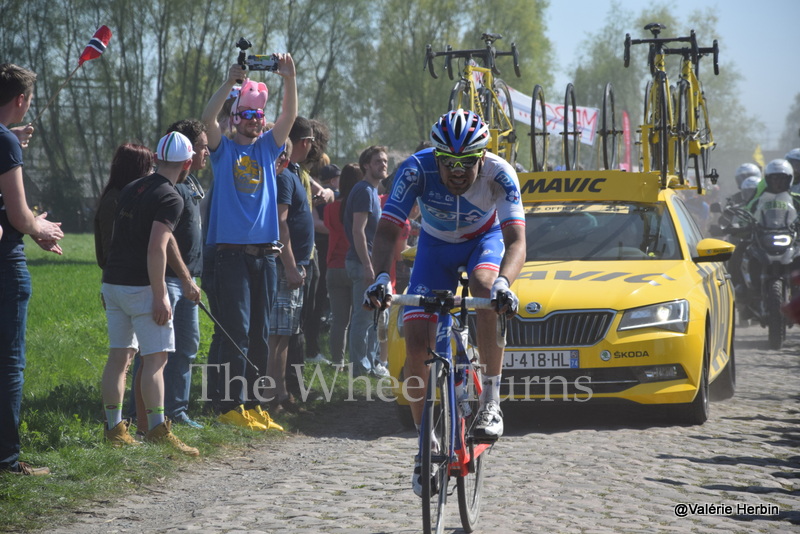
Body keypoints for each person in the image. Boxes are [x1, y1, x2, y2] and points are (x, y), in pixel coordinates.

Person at [364, 109, 525, 495]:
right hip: (434, 248)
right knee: (416, 339)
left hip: (483, 242)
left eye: (466, 164)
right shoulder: (416, 169)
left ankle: (489, 398)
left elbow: (517, 241)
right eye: (448, 163)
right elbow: (386, 232)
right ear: (435, 157)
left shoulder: (499, 173)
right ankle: (426, 445)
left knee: (486, 289)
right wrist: (382, 278)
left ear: (481, 159)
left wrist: (505, 283)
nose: (456, 171)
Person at [200, 57, 296, 429]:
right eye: (247, 116)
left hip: (265, 256)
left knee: (259, 334)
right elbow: (207, 119)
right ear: (236, 118)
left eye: (259, 116)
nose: (254, 122)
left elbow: (288, 118)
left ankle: (255, 405)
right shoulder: (224, 151)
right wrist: (229, 84)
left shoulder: (268, 149)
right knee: (235, 331)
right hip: (230, 257)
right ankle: (228, 407)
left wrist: (290, 79)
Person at [100, 131, 200, 456]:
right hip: (140, 286)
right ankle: (157, 429)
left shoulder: (132, 187)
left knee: (119, 358)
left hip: (113, 282)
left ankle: (115, 428)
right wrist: (160, 294)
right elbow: (158, 247)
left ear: (157, 158)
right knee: (156, 359)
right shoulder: (172, 197)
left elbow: (119, 237)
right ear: (188, 163)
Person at [0, 63, 63, 476]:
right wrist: (42, 226)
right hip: (7, 263)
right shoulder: (5, 141)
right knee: (9, 363)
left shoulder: (6, 139)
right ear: (20, 100)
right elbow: (22, 217)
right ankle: (7, 460)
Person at [94, 142, 155, 433]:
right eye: (148, 167)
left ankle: (122, 424)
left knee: (128, 356)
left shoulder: (128, 198)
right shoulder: (114, 202)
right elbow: (110, 249)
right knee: (123, 357)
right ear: (136, 169)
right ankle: (115, 425)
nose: (152, 173)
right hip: (123, 284)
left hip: (127, 283)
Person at [161, 119, 210, 429]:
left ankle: (176, 410)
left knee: (187, 346)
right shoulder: (169, 187)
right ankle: (147, 411)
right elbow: (163, 241)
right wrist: (184, 278)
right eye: (203, 146)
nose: (207, 152)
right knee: (158, 349)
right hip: (170, 280)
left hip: (189, 280)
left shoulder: (191, 182)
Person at [265, 137, 313, 417]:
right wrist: (291, 265)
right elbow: (280, 223)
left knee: (285, 335)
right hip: (286, 268)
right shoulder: (283, 178)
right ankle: (273, 398)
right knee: (277, 336)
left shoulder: (292, 174)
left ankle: (281, 393)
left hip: (294, 265)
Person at [345, 145, 390, 377]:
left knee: (377, 317)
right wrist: (368, 265)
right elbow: (358, 231)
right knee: (363, 318)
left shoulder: (372, 191)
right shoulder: (363, 190)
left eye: (385, 161)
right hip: (363, 264)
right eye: (378, 161)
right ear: (366, 165)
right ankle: (359, 369)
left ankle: (372, 365)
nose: (383, 164)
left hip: (373, 266)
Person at [323, 163, 361, 365]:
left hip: (333, 266)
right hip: (354, 264)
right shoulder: (359, 207)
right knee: (357, 319)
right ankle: (357, 362)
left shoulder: (330, 208)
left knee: (339, 321)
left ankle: (337, 361)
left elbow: (329, 227)